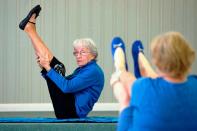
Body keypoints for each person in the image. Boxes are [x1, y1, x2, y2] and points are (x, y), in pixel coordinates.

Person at [19, 5, 104, 119]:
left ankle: (30, 29)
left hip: (70, 112)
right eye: (76, 53)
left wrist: (48, 69)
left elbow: (66, 87)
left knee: (57, 68)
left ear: (93, 55)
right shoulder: (85, 68)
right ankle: (30, 29)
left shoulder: (93, 71)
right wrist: (45, 70)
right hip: (69, 105)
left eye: (82, 52)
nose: (78, 56)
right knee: (58, 68)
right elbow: (63, 81)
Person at [110, 32, 197, 131]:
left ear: (157, 62)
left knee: (125, 98)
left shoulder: (142, 86)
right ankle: (142, 63)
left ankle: (121, 65)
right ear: (190, 57)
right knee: (154, 84)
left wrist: (116, 79)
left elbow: (126, 83)